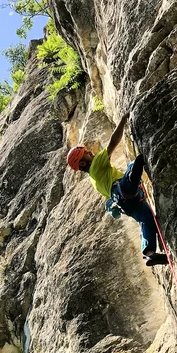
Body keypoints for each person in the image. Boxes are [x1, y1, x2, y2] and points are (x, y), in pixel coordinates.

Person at [66, 114, 169, 267]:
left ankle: (149, 251)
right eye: (86, 154)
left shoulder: (94, 180)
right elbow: (113, 142)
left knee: (146, 219)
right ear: (82, 164)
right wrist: (123, 119)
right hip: (123, 192)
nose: (91, 153)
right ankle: (134, 169)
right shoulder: (95, 165)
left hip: (125, 204)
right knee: (132, 170)